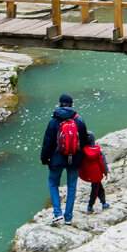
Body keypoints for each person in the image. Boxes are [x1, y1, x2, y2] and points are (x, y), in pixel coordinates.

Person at [41, 93, 88, 225]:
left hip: (56, 159)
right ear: (72, 104)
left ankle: (57, 213)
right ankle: (68, 217)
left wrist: (44, 159)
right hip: (75, 159)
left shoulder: (54, 121)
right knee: (71, 186)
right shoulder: (79, 120)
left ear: (60, 103)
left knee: (53, 183)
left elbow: (47, 142)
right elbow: (84, 141)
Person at [79, 131, 109, 213]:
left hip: (88, 173)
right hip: (97, 174)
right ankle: (90, 205)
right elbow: (103, 163)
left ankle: (104, 203)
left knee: (99, 188)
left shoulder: (82, 151)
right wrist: (105, 172)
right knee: (95, 190)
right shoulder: (99, 151)